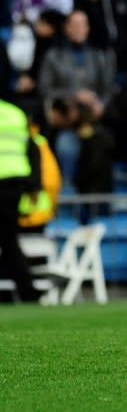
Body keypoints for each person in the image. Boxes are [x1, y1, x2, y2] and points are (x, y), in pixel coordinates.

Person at [0, 98, 43, 302]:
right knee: (9, 241)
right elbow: (32, 150)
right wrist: (34, 184)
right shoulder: (14, 113)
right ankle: (28, 292)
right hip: (14, 184)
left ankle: (20, 293)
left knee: (8, 242)